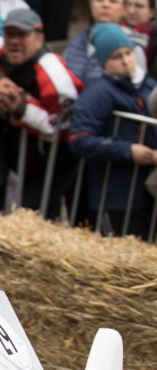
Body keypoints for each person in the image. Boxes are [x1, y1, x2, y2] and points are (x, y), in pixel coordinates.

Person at [0, 9, 84, 216]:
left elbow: (65, 125)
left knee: (35, 214)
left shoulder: (54, 72)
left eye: (22, 35)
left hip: (53, 162)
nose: (15, 42)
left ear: (39, 38)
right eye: (10, 34)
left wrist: (21, 108)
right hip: (14, 153)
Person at [69, 23, 157, 237]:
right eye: (117, 57)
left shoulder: (149, 87)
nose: (126, 61)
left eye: (128, 53)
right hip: (115, 195)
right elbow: (79, 139)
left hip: (147, 192)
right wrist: (128, 150)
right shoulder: (97, 94)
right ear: (103, 62)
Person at [64, 0, 147, 86]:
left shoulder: (133, 47)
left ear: (124, 9)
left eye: (112, 1)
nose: (105, 4)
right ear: (90, 4)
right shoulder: (76, 43)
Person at [123, 0, 156, 75]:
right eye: (128, 4)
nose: (131, 10)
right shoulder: (113, 32)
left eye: (139, 6)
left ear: (151, 12)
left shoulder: (153, 39)